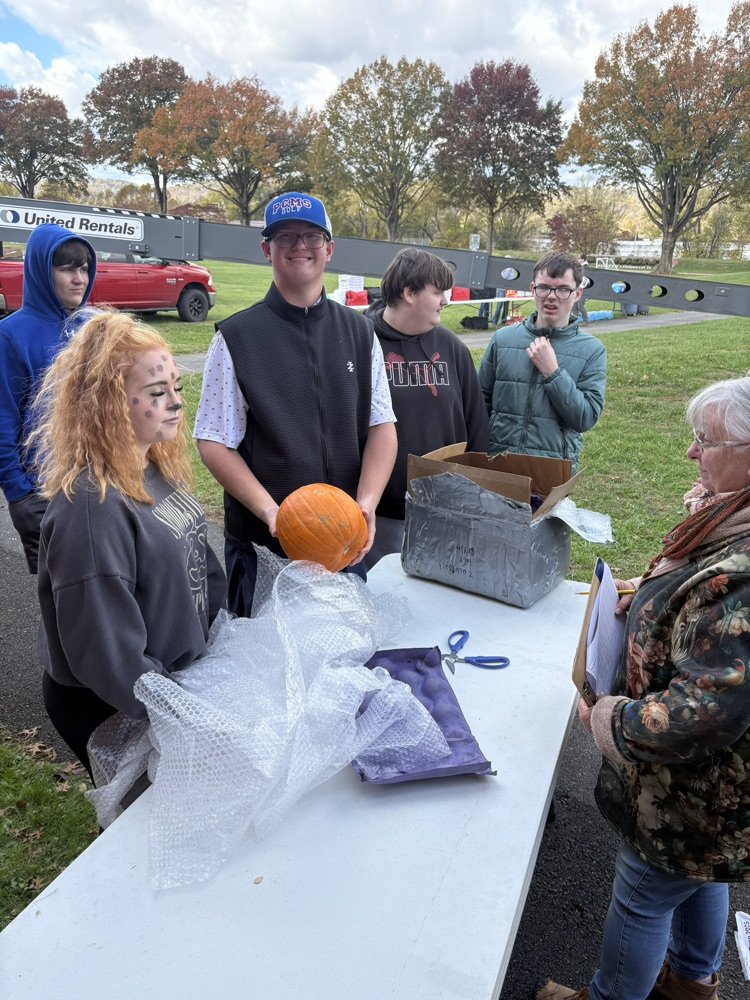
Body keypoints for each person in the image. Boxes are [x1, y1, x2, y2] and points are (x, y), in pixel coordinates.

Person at [537, 376, 750, 1000]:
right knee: (700, 875)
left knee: (643, 893)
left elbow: (703, 713)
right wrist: (653, 599)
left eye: (704, 442)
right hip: (718, 799)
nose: (690, 454)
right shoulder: (726, 521)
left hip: (695, 788)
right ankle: (691, 980)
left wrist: (608, 719)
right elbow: (697, 614)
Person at [31, 311, 226, 777]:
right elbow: (106, 655)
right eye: (158, 394)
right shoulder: (91, 507)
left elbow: (201, 567)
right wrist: (180, 716)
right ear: (110, 404)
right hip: (117, 703)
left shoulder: (153, 470)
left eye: (176, 387)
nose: (177, 404)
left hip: (173, 685)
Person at [194, 192, 397, 615]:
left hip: (343, 544)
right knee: (264, 673)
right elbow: (214, 440)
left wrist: (367, 503)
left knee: (341, 663)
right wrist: (272, 513)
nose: (299, 246)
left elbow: (382, 425)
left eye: (311, 235)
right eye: (285, 237)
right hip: (264, 548)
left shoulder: (360, 333)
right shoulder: (235, 338)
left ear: (329, 248)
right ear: (267, 249)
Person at [364, 247, 489, 567]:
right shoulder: (361, 343)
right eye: (437, 292)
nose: (446, 301)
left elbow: (476, 424)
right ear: (409, 293)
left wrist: (476, 494)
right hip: (381, 516)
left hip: (446, 510)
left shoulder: (451, 347)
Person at [0, 223, 96, 572]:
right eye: (67, 268)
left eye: (84, 268)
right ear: (42, 270)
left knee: (105, 592)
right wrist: (19, 494)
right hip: (43, 491)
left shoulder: (95, 327)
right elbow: (4, 418)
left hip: (100, 486)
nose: (79, 278)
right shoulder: (11, 335)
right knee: (61, 599)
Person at [478, 250, 606, 473]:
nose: (551, 296)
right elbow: (480, 404)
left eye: (563, 289)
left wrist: (553, 372)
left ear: (577, 294)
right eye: (544, 287)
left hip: (552, 472)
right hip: (499, 467)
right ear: (532, 289)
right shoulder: (503, 339)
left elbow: (584, 418)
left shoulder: (592, 350)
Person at [576, 253, 590, 324]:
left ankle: (586, 320)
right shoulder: (580, 267)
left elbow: (585, 279)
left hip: (583, 289)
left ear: (583, 259)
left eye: (579, 258)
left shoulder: (585, 267)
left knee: (580, 305)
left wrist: (580, 287)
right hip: (577, 288)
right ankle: (574, 321)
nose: (577, 259)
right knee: (574, 305)